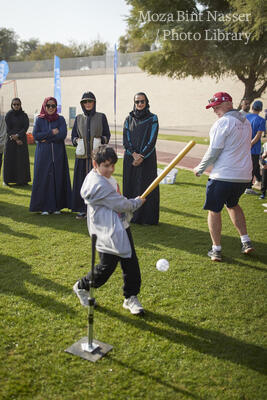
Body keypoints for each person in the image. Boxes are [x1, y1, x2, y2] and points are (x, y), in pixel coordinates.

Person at [73, 145, 145, 315]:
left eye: (112, 165)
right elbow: (121, 203)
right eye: (105, 165)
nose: (110, 169)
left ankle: (130, 297)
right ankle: (81, 286)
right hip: (105, 230)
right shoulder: (97, 184)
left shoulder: (105, 178)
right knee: (106, 268)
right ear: (94, 164)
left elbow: (118, 200)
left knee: (131, 264)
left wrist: (129, 204)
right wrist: (137, 202)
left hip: (120, 226)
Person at [194, 92, 254, 262]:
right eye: (213, 108)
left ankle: (216, 249)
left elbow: (214, 150)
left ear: (229, 103)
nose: (215, 111)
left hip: (223, 175)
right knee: (233, 204)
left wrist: (201, 167)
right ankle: (246, 241)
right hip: (243, 176)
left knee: (214, 211)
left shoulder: (223, 122)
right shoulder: (246, 122)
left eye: (217, 107)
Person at [71, 91, 110, 219]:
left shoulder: (101, 117)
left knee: (97, 184)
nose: (88, 104)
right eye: (85, 102)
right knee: (82, 183)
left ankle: (96, 210)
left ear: (94, 102)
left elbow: (107, 135)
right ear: (82, 104)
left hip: (96, 158)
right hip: (82, 158)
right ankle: (82, 209)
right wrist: (77, 141)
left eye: (90, 101)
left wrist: (101, 141)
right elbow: (73, 137)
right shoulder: (78, 118)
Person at [30, 97, 71, 215]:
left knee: (58, 178)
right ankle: (44, 207)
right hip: (43, 155)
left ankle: (57, 207)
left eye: (53, 106)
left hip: (58, 154)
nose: (51, 108)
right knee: (44, 179)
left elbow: (62, 135)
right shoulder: (39, 119)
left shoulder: (61, 119)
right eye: (48, 105)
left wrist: (45, 138)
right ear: (44, 106)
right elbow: (36, 135)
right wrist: (51, 133)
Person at [123, 92, 159, 225]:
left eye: (142, 101)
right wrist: (133, 154)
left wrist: (142, 156)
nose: (139, 104)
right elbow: (125, 140)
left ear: (146, 102)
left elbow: (152, 140)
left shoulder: (153, 118)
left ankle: (146, 218)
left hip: (147, 160)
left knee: (146, 187)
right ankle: (131, 216)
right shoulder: (128, 119)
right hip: (131, 159)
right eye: (137, 102)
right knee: (131, 185)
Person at [3, 98, 30, 186]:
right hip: (11, 140)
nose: (16, 106)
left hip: (21, 139)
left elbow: (25, 128)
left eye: (18, 104)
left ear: (20, 105)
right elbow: (8, 129)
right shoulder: (8, 115)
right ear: (12, 105)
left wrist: (18, 136)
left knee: (21, 160)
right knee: (9, 160)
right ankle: (7, 180)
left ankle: (22, 180)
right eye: (14, 104)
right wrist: (15, 138)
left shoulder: (24, 115)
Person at [245, 100, 266, 194]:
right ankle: (248, 187)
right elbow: (258, 136)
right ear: (261, 109)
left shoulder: (245, 117)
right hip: (254, 148)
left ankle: (260, 179)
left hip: (243, 146)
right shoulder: (261, 120)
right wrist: (250, 144)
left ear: (252, 107)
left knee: (253, 166)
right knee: (252, 167)